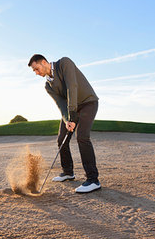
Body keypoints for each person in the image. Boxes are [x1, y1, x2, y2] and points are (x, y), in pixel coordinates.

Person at [28, 54, 101, 193]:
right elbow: (61, 104)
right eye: (34, 71)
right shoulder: (48, 85)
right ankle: (68, 172)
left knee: (82, 136)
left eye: (36, 69)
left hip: (88, 102)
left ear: (44, 62)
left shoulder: (64, 63)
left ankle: (93, 180)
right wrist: (68, 120)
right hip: (71, 109)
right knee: (62, 138)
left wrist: (73, 114)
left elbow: (71, 87)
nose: (36, 73)